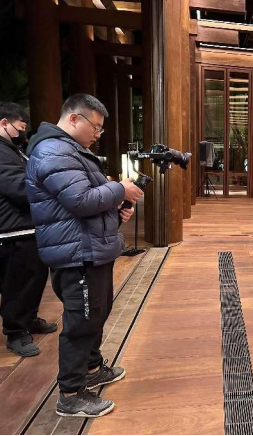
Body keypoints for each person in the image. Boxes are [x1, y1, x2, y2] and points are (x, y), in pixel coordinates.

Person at [26, 94, 144, 418]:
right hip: (77, 253)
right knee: (81, 321)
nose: (98, 133)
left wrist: (115, 211)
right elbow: (80, 200)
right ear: (74, 118)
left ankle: (91, 369)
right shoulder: (53, 151)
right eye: (96, 126)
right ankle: (70, 394)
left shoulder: (71, 150)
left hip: (89, 248)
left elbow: (83, 201)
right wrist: (120, 189)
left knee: (96, 313)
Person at [0, 102, 56, 357]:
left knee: (34, 278)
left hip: (27, 226)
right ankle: (16, 331)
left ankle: (29, 319)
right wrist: (50, 187)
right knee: (18, 283)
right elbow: (18, 187)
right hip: (13, 228)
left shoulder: (12, 150)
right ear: (4, 123)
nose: (23, 132)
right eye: (20, 126)